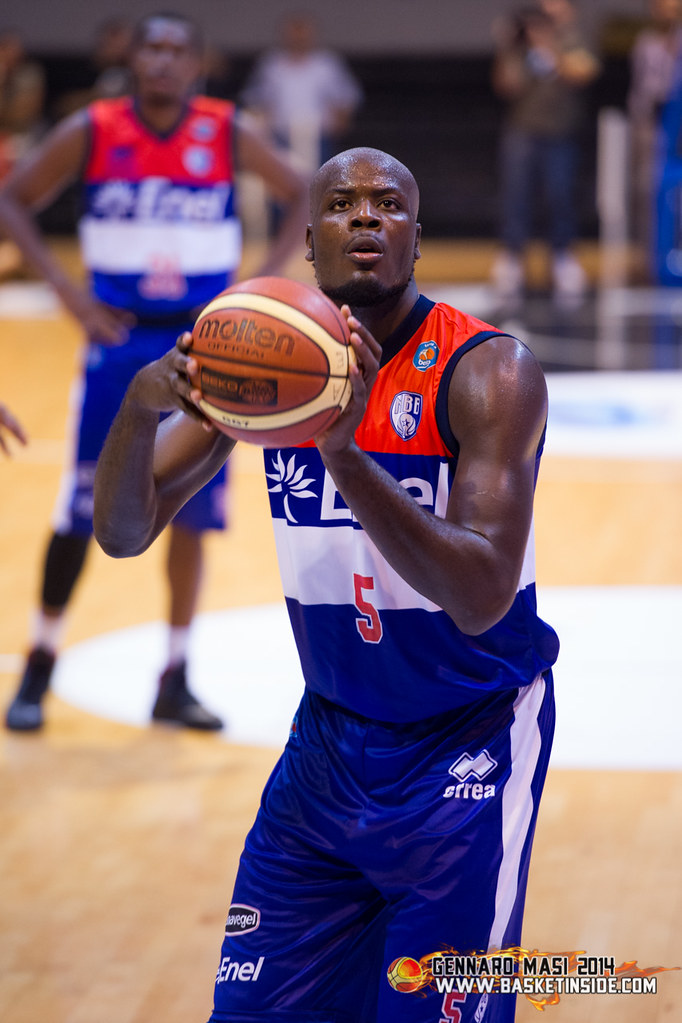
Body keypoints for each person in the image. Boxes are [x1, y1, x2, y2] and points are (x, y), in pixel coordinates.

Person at [93, 146, 559, 1022]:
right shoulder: (264, 371)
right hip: (326, 751)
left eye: (388, 204)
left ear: (417, 237)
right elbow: (125, 530)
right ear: (309, 241)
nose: (366, 218)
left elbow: (482, 593)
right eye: (342, 204)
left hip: (468, 748)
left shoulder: (490, 372)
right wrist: (139, 404)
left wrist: (342, 451)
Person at [0, 12, 308, 732]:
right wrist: (66, 290)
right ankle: (41, 661)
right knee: (80, 507)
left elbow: (303, 191)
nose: (164, 61)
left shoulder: (226, 128)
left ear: (197, 62)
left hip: (208, 346)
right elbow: (12, 199)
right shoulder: (95, 128)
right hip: (117, 334)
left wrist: (255, 290)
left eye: (177, 50)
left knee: (192, 514)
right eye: (153, 48)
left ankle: (175, 675)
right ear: (133, 58)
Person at [491, 0, 600, 308]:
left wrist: (550, 46)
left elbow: (584, 72)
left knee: (560, 195)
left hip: (560, 132)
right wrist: (508, 43)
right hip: (522, 131)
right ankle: (512, 258)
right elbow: (506, 84)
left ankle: (563, 257)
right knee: (516, 195)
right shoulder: (519, 46)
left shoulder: (573, 39)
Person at [241, 13, 362, 192]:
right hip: (280, 137)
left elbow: (346, 97)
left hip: (317, 138)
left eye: (302, 31)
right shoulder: (272, 65)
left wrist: (339, 123)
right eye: (293, 32)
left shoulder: (326, 64)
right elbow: (257, 100)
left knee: (319, 186)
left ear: (312, 34)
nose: (298, 36)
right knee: (282, 187)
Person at [627, 0, 682, 280]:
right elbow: (640, 86)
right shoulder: (645, 41)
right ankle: (649, 258)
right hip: (651, 123)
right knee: (647, 190)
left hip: (677, 123)